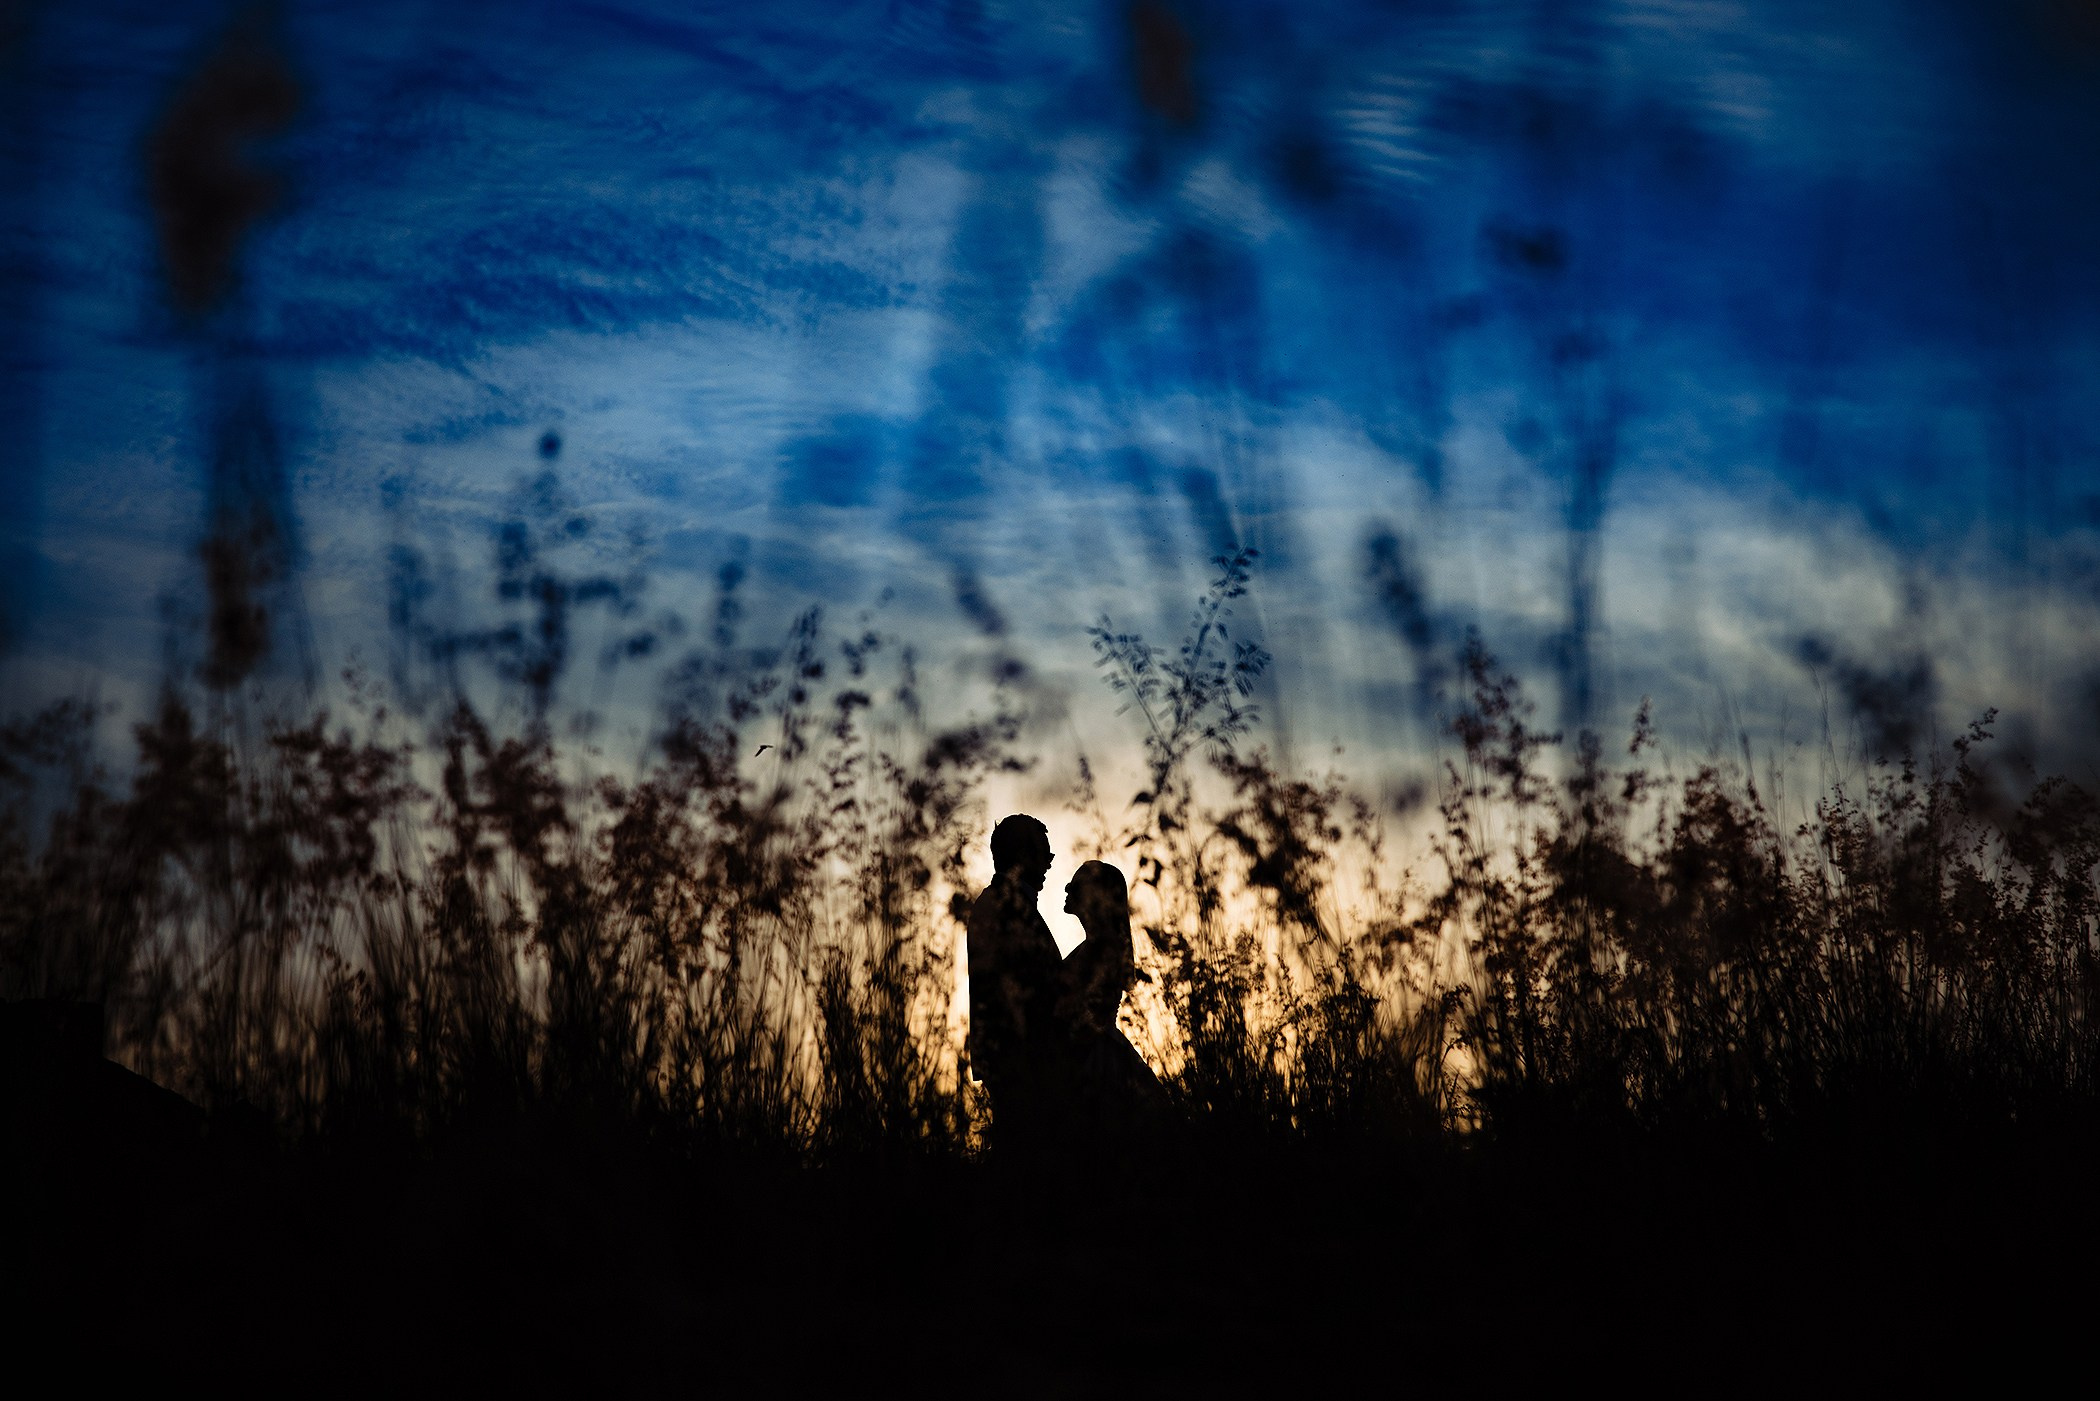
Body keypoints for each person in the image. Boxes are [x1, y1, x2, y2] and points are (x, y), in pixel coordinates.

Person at [965, 814, 1065, 1148]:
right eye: (1044, 856)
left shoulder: (1000, 902)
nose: (1049, 864)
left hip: (1016, 1055)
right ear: (1024, 856)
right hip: (1020, 1056)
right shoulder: (1004, 905)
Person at [1056, 860, 1165, 1138]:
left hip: (1095, 1062)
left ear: (1097, 895)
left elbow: (1082, 1013)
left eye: (1076, 886)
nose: (1068, 890)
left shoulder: (1103, 948)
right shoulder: (1096, 946)